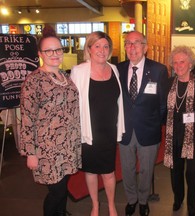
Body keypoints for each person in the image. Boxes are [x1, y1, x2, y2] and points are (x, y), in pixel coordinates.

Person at [20, 25, 81, 216]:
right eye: (49, 50)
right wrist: (31, 153)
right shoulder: (33, 81)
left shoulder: (65, 76)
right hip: (47, 149)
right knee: (57, 191)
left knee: (63, 186)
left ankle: (61, 212)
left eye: (58, 49)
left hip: (67, 145)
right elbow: (27, 119)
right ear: (40, 54)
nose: (55, 54)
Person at [70, 31, 125, 216]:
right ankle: (95, 204)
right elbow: (72, 105)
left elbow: (119, 102)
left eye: (105, 46)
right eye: (97, 46)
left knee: (109, 172)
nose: (102, 50)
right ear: (89, 49)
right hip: (89, 132)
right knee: (91, 171)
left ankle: (111, 204)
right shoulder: (78, 71)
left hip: (109, 130)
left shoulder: (114, 69)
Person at [117, 31, 168, 216]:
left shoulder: (158, 70)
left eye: (137, 43)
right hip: (125, 130)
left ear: (145, 47)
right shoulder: (118, 69)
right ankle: (132, 200)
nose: (132, 47)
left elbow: (163, 104)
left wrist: (155, 124)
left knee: (146, 170)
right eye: (128, 43)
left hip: (149, 130)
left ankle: (143, 200)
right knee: (127, 170)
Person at [164, 46, 195, 216]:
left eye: (182, 62)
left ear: (190, 63)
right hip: (174, 137)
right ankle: (178, 199)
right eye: (175, 63)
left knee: (192, 173)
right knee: (175, 172)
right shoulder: (169, 84)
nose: (178, 66)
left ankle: (192, 205)